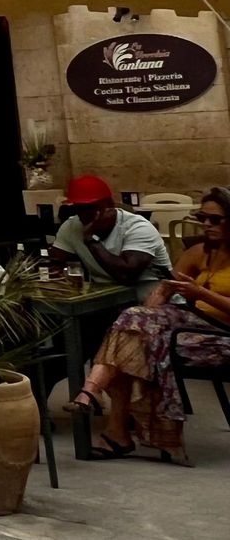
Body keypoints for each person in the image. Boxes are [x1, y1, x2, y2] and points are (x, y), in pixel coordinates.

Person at [67, 187, 230, 464]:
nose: (206, 225)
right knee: (132, 333)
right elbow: (168, 286)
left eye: (215, 220)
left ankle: (103, 413)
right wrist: (150, 310)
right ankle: (101, 409)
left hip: (221, 336)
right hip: (190, 326)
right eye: (202, 218)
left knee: (135, 337)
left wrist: (201, 293)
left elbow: (196, 294)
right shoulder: (199, 252)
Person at [51, 174, 173, 301]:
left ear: (110, 205)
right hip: (105, 297)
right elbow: (55, 263)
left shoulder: (138, 228)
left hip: (150, 298)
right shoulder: (72, 226)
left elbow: (126, 276)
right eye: (79, 208)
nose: (85, 214)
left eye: (91, 208)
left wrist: (91, 240)